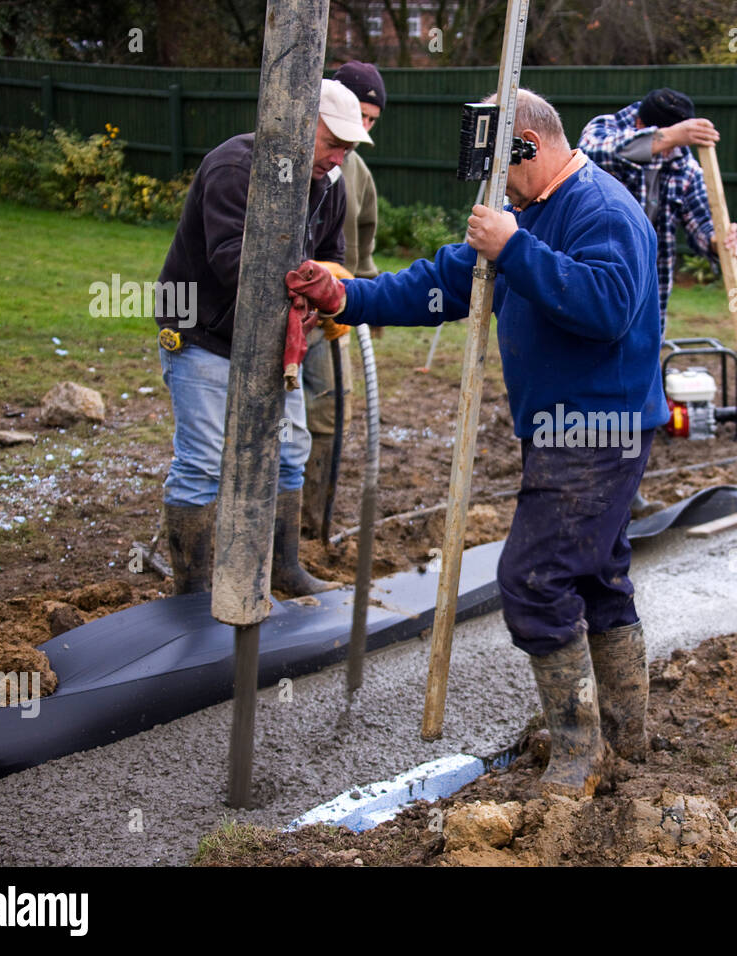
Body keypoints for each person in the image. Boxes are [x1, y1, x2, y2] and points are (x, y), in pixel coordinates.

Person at [286, 89, 665, 798]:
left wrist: (515, 248)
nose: (492, 184)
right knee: (596, 575)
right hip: (563, 429)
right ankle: (625, 735)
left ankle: (583, 755)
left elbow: (608, 309)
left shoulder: (600, 209)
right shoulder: (520, 215)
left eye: (499, 163)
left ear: (527, 143)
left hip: (599, 429)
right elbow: (441, 285)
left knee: (533, 580)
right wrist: (348, 300)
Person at [156, 79, 371, 597]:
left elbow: (333, 254)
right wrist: (309, 280)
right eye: (333, 141)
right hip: (201, 328)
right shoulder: (234, 168)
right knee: (205, 459)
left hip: (278, 336)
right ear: (298, 124)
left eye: (348, 145)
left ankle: (283, 569)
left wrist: (333, 290)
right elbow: (233, 261)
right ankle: (193, 591)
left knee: (290, 450)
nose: (340, 154)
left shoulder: (331, 181)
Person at [299, 62, 388, 537]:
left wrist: (366, 301)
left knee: (331, 414)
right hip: (277, 311)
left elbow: (362, 242)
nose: (363, 130)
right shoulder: (286, 159)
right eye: (358, 118)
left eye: (372, 121)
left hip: (334, 312)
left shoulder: (356, 174)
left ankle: (312, 526)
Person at [577, 87, 737, 330]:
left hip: (651, 278)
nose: (669, 152)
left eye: (676, 145)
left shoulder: (684, 167)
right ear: (640, 124)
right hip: (596, 266)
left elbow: (701, 224)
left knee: (645, 348)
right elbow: (590, 153)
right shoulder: (605, 128)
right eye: (668, 143)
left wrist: (718, 240)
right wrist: (667, 136)